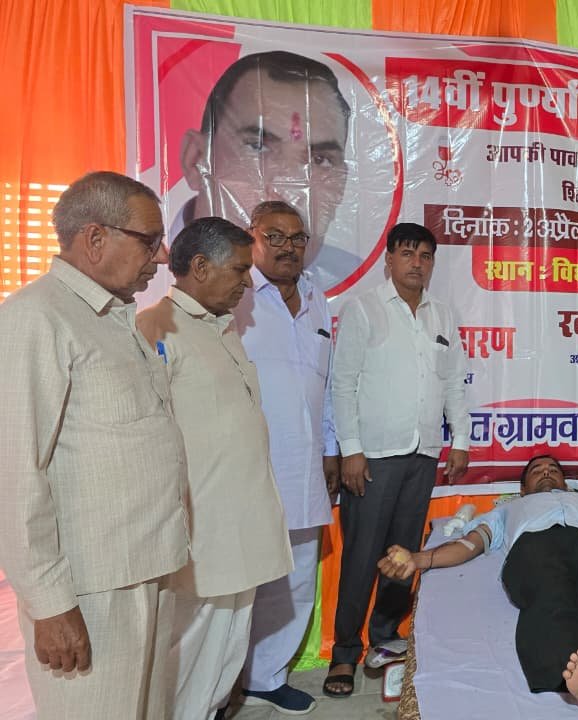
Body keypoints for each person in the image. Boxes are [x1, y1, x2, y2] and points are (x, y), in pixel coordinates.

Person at [0, 171, 188, 718]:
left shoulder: (113, 317)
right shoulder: (35, 317)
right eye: (150, 241)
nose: (161, 258)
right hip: (90, 589)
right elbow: (15, 472)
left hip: (147, 568)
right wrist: (51, 604)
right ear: (95, 238)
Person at [379, 455, 578, 711]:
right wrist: (419, 559)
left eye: (553, 469)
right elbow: (469, 544)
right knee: (552, 596)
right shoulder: (507, 508)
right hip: (536, 545)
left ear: (565, 483)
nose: (546, 472)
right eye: (537, 470)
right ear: (522, 488)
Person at [136, 217, 293, 719]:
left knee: (225, 649)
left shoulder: (222, 328)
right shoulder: (155, 328)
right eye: (240, 270)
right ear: (200, 267)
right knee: (188, 653)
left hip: (240, 522)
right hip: (200, 530)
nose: (247, 282)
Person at [327, 222, 471, 695]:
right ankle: (344, 653)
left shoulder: (441, 315)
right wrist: (351, 450)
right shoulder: (364, 309)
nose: (416, 263)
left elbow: (453, 382)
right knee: (362, 555)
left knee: (403, 552)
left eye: (425, 256)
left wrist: (461, 440)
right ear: (388, 259)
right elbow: (342, 383)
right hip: (373, 457)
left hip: (422, 454)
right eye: (407, 253)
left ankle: (385, 637)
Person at [233, 200, 340, 715]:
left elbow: (327, 383)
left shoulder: (318, 300)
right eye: (274, 236)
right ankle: (223, 680)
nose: (288, 247)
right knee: (240, 579)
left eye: (297, 238)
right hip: (247, 463)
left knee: (297, 575)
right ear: (251, 237)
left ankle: (267, 676)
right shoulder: (234, 295)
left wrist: (332, 449)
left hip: (305, 464)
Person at [178, 51, 359, 289]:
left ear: (341, 185)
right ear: (196, 160)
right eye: (258, 147)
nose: (288, 188)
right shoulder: (149, 274)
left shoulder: (350, 285)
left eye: (319, 160)